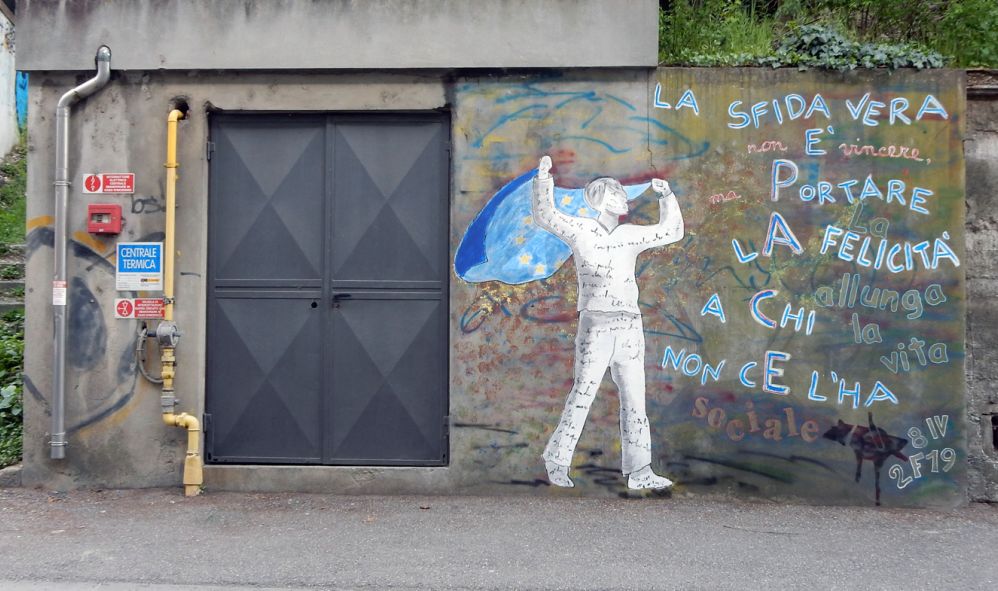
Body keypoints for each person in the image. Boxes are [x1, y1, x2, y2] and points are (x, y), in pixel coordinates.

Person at [532, 155, 684, 489]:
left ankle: (640, 471)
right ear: (599, 199)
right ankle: (556, 460)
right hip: (596, 324)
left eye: (622, 193)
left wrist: (666, 196)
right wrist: (544, 179)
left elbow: (671, 232)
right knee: (583, 392)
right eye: (615, 194)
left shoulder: (629, 234)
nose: (624, 198)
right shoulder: (582, 229)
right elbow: (546, 216)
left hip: (629, 324)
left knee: (635, 397)